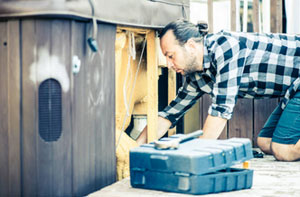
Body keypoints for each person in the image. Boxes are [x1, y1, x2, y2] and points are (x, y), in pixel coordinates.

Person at [136, 19, 300, 161]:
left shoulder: (224, 47)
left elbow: (221, 110)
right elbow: (170, 114)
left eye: (171, 56)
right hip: (293, 91)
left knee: (282, 149)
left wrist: (194, 159)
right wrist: (134, 148)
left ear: (191, 46)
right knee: (265, 142)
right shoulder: (197, 77)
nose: (169, 64)